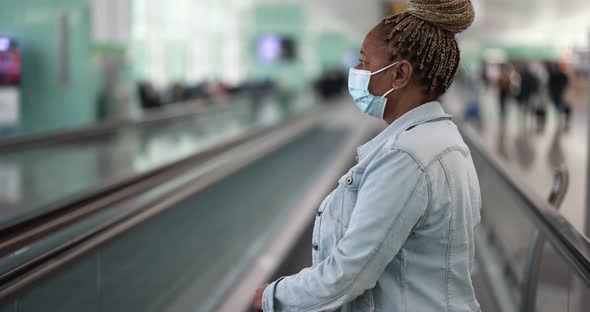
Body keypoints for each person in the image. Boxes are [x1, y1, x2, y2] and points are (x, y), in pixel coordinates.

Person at [252, 0, 481, 311]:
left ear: (399, 74)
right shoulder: (441, 138)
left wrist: (270, 296)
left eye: (363, 62)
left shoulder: (407, 156)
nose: (356, 72)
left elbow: (347, 274)